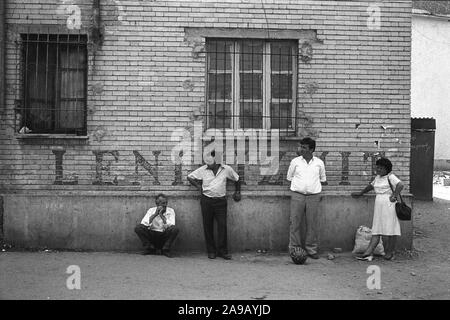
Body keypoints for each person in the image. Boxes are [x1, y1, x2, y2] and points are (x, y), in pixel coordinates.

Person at [187, 151, 241, 260]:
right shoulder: (203, 170)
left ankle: (223, 251)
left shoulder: (226, 169)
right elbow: (189, 177)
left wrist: (237, 192)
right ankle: (211, 251)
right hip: (206, 200)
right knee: (208, 226)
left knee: (222, 226)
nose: (208, 163)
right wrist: (198, 186)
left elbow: (237, 179)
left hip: (221, 202)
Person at [351, 157, 404, 261]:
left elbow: (400, 185)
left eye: (381, 168)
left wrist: (394, 195)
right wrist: (361, 193)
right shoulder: (377, 178)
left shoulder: (391, 177)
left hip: (389, 206)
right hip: (379, 206)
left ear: (386, 169)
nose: (378, 170)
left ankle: (390, 252)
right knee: (377, 229)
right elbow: (371, 186)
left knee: (391, 230)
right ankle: (368, 253)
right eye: (377, 168)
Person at [286, 137, 327, 260]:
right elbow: (290, 177)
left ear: (312, 149)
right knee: (295, 223)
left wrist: (311, 187)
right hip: (297, 195)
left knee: (312, 224)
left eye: (304, 147)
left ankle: (311, 249)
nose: (301, 149)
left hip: (313, 196)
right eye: (301, 147)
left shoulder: (319, 163)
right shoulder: (295, 162)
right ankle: (295, 249)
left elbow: (323, 179)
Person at [134, 193, 179, 258]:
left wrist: (161, 216)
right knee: (138, 228)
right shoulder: (151, 210)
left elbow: (171, 225)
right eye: (160, 203)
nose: (163, 205)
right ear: (156, 204)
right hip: (152, 235)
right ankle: (149, 248)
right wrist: (155, 214)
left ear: (166, 203)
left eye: (164, 203)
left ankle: (165, 249)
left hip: (164, 235)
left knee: (175, 229)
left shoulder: (171, 211)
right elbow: (144, 223)